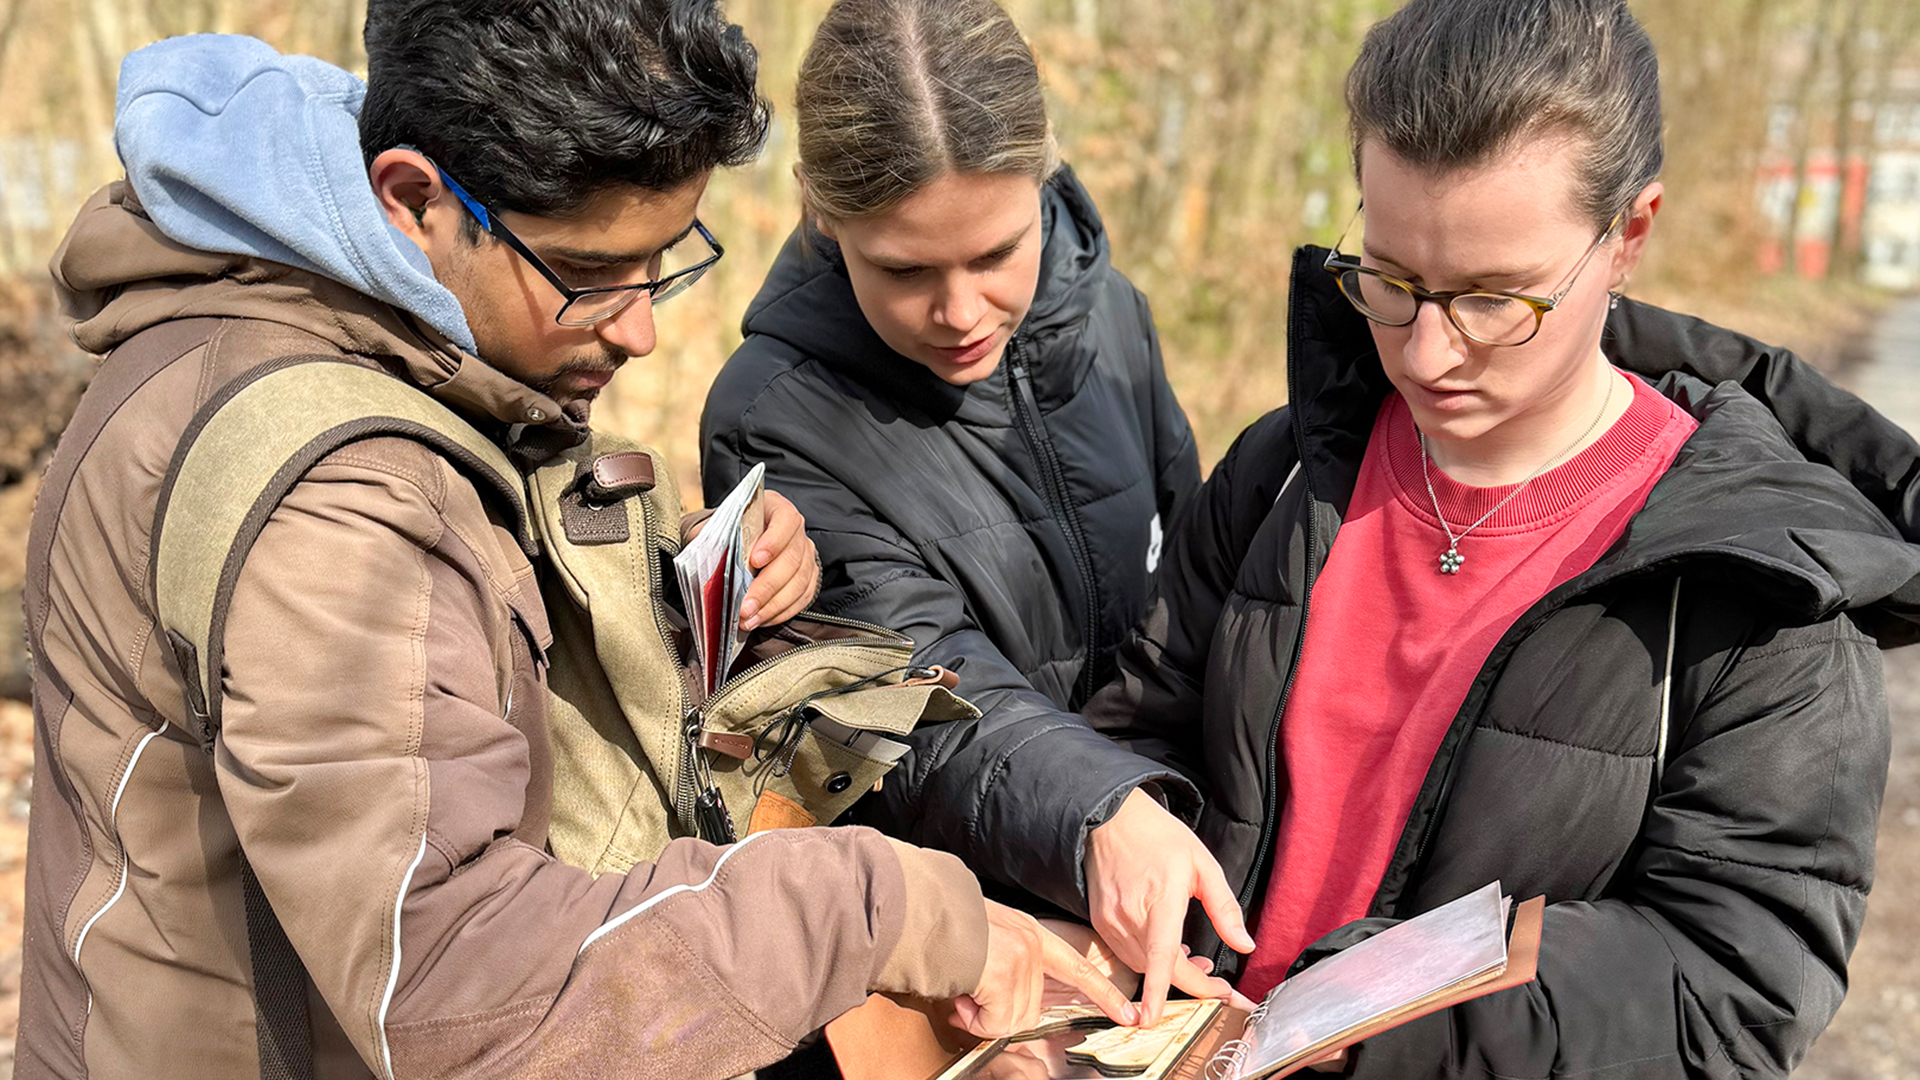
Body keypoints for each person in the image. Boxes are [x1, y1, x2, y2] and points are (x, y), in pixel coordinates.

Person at [16, 3, 1136, 1078]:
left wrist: (680, 583)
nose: (643, 327)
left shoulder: (377, 325)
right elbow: (460, 987)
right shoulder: (334, 504)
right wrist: (884, 908)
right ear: (413, 199)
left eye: (667, 257)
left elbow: (453, 652)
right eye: (592, 276)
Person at [1085, 0, 1917, 1074]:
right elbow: (1143, 725)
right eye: (1389, 279)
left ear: (1630, 235)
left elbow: (1728, 990)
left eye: (1493, 300)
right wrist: (1112, 827)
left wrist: (1369, 1028)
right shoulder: (1292, 469)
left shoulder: (1765, 585)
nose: (1427, 353)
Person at [701, 0, 1251, 1024]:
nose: (959, 313)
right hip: (981, 949)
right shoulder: (775, 416)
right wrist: (1100, 818)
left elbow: (1192, 594)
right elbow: (908, 680)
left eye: (997, 253)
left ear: (1045, 182)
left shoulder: (1113, 320)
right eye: (904, 271)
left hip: (1167, 884)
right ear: (820, 211)